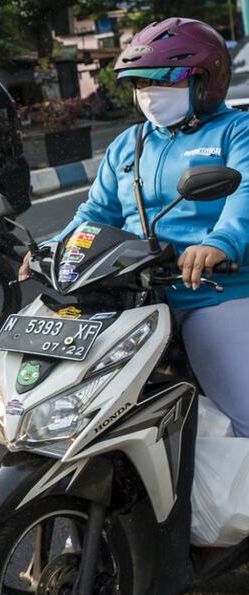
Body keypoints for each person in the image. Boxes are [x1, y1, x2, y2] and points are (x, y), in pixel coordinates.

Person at [19, 17, 249, 435]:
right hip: (129, 295)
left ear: (205, 80)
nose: (148, 92)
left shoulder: (238, 132)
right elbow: (95, 214)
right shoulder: (130, 143)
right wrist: (52, 247)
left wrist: (221, 242)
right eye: (140, 82)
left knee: (245, 410)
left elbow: (244, 195)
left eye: (163, 79)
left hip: (209, 294)